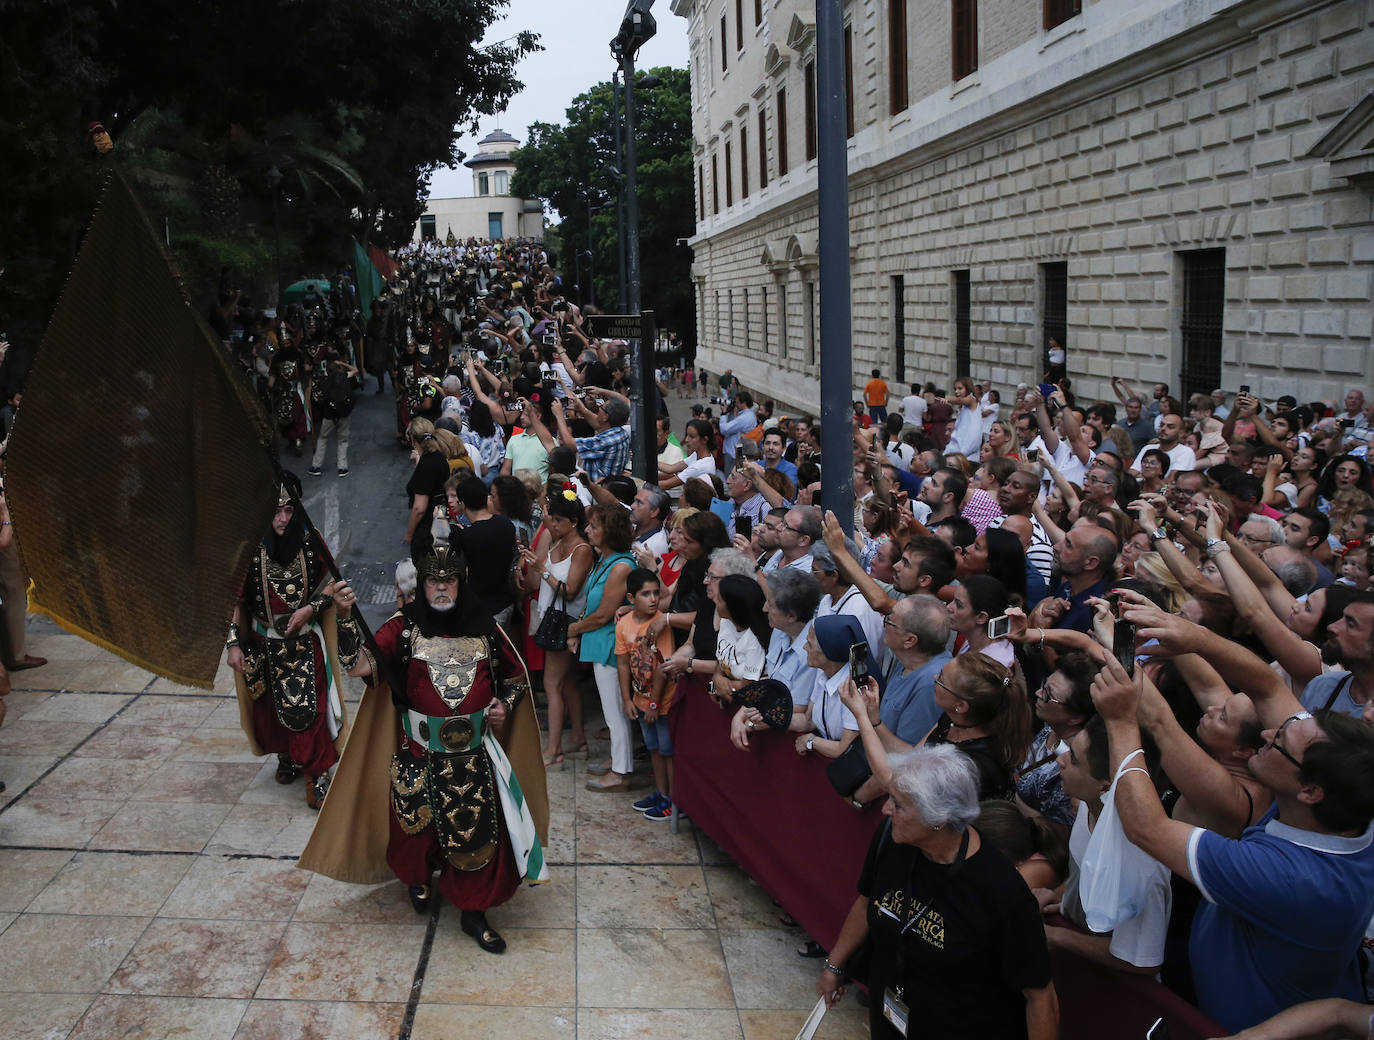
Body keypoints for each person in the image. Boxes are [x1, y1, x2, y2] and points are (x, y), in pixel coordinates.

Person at [1092, 607, 1374, 1034]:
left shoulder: (1293, 877)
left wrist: (1119, 721)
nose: (1265, 734)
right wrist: (1191, 635)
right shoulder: (1337, 805)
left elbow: (1146, 827)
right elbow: (1263, 686)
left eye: (1277, 742)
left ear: (1310, 791)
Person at [318, 545, 549, 956]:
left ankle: (474, 911)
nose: (441, 588)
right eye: (433, 581)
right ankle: (419, 879)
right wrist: (345, 616)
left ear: (461, 583)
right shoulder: (403, 629)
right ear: (422, 585)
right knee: (414, 837)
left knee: (479, 840)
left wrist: (502, 706)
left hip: (475, 759)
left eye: (449, 580)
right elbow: (358, 666)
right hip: (420, 756)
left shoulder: (485, 629)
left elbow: (515, 680)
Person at [817, 744, 1058, 1040]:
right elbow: (867, 902)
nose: (885, 809)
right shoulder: (892, 841)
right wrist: (834, 966)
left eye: (899, 804)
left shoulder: (1001, 891)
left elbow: (1040, 997)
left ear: (938, 819)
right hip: (891, 1019)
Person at [226, 481, 352, 808]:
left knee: (308, 710)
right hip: (263, 643)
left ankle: (316, 775)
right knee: (269, 708)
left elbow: (333, 586)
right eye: (275, 511)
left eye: (288, 510)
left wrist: (311, 608)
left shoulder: (312, 543)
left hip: (305, 644)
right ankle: (287, 755)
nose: (282, 518)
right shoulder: (249, 547)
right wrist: (233, 645)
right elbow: (234, 600)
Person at [567, 504, 637, 792]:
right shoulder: (605, 560)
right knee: (612, 710)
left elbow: (604, 613)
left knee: (615, 712)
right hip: (600, 642)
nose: (587, 531)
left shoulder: (621, 566)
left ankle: (621, 772)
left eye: (594, 526)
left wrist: (575, 629)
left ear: (610, 531)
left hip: (611, 644)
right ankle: (616, 761)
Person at [522, 486, 593, 766]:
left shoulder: (581, 549)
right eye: (551, 519)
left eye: (557, 521)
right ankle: (577, 739)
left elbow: (571, 591)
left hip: (566, 624)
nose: (551, 524)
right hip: (553, 618)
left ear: (573, 522)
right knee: (568, 684)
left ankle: (554, 749)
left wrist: (542, 570)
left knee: (552, 686)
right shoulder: (557, 542)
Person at [615, 568, 678, 820]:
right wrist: (628, 699)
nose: (653, 599)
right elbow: (622, 664)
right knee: (653, 748)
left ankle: (674, 800)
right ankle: (661, 793)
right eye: (645, 594)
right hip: (641, 700)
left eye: (656, 593)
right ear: (631, 598)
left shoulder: (660, 622)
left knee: (667, 750)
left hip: (662, 701)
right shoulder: (624, 625)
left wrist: (654, 703)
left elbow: (663, 667)